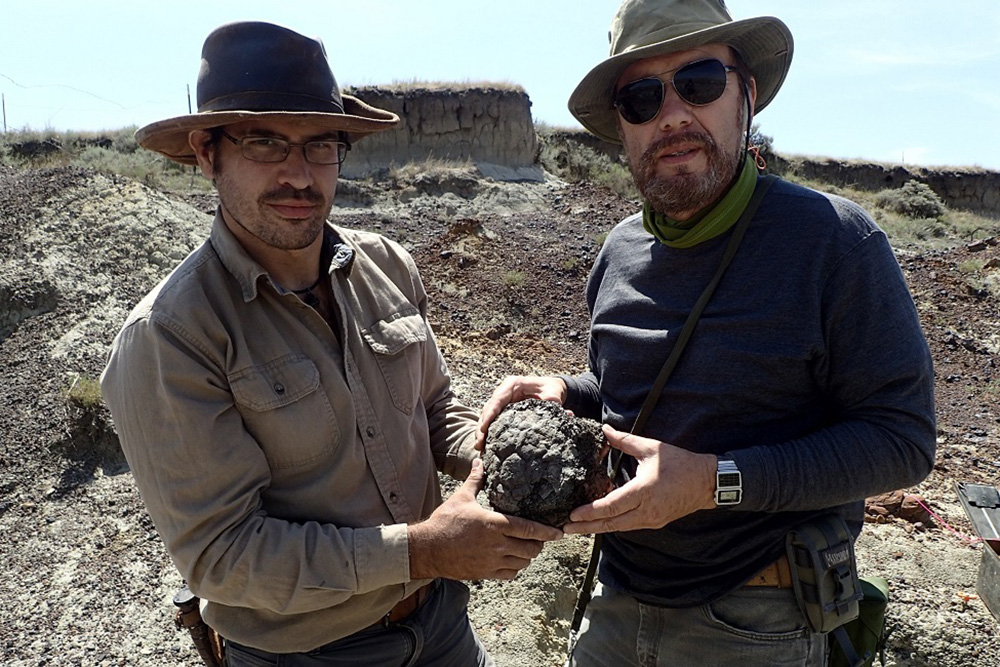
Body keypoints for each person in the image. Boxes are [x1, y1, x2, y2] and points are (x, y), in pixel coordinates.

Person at [477, 0, 936, 665]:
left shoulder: (834, 242)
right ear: (622, 129)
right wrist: (567, 393)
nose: (671, 114)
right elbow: (625, 397)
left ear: (746, 93)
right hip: (611, 605)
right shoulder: (618, 253)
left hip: (758, 622)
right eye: (640, 97)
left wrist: (715, 480)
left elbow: (902, 438)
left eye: (698, 81)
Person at [100, 21, 562, 667]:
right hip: (305, 653)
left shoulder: (388, 264)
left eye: (321, 145)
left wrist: (521, 443)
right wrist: (423, 548)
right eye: (265, 143)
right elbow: (220, 556)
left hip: (442, 623)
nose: (299, 174)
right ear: (208, 152)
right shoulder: (172, 335)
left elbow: (433, 415)